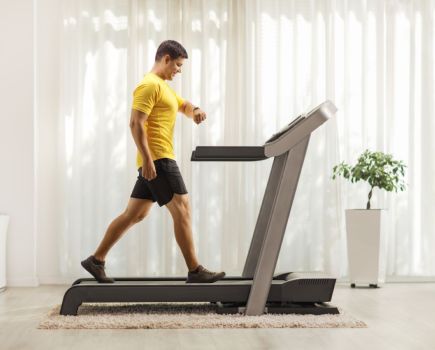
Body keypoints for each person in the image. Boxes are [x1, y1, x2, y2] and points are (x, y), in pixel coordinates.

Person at [81, 40, 226, 284]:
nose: (179, 70)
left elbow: (182, 105)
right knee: (183, 210)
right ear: (166, 58)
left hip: (156, 159)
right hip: (158, 159)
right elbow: (135, 123)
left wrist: (196, 109)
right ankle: (195, 271)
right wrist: (148, 159)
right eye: (178, 65)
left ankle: (96, 261)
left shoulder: (163, 87)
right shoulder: (148, 86)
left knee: (133, 215)